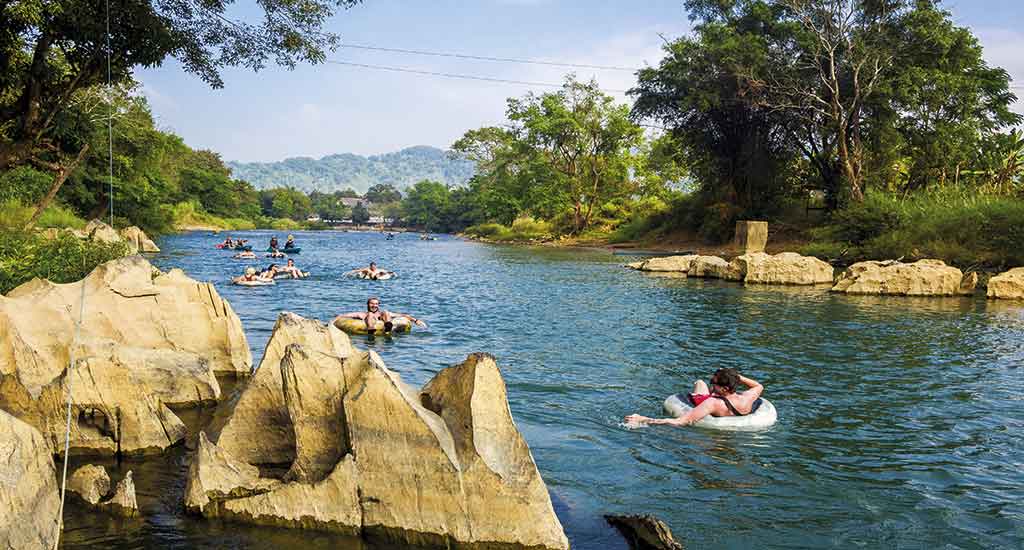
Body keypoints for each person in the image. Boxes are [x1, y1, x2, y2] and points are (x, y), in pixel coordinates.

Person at [624, 368, 763, 428]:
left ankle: (700, 383)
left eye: (714, 383)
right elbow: (759, 386)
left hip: (708, 403)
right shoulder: (747, 398)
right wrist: (737, 377)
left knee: (700, 383)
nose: (712, 385)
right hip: (730, 402)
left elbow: (681, 421)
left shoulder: (712, 403)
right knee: (703, 385)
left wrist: (643, 419)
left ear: (724, 388)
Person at [333, 297, 426, 332]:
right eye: (372, 303)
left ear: (378, 305)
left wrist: (416, 320)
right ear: (368, 304)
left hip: (383, 323)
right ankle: (370, 328)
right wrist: (330, 323)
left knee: (386, 312)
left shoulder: (382, 313)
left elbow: (403, 315)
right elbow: (343, 316)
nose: (374, 305)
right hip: (371, 324)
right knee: (370, 315)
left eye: (376, 304)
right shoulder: (362, 314)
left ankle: (388, 325)